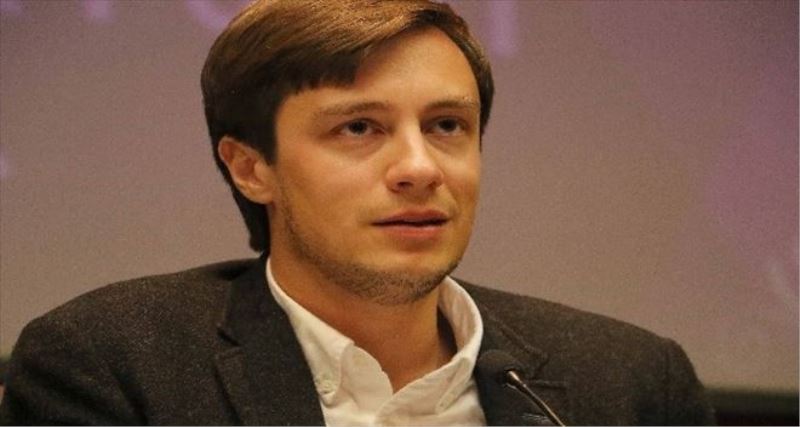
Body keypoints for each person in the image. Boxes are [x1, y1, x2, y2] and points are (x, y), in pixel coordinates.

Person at [0, 0, 714, 425]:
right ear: (251, 167)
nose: (420, 168)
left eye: (447, 126)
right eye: (359, 128)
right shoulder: (114, 367)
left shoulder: (630, 384)